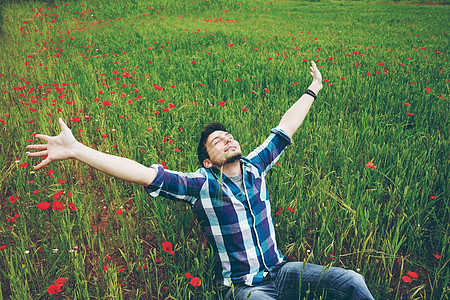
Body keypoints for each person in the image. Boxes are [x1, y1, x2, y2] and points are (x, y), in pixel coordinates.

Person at [27, 61, 374, 299]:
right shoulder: (200, 185)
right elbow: (138, 172)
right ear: (208, 161)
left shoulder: (256, 166)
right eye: (217, 141)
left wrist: (314, 89)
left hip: (283, 271)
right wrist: (76, 150)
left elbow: (286, 126)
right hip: (245, 288)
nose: (228, 140)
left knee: (353, 283)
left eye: (229, 136)